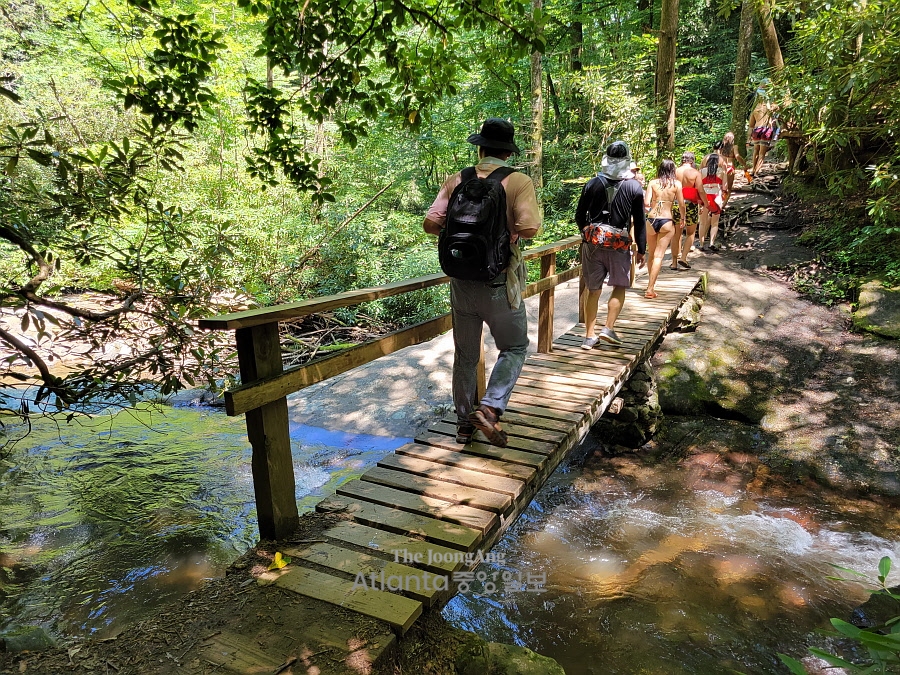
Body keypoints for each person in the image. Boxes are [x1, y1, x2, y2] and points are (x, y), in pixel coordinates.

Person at [423, 118, 540, 448]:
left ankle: (464, 423)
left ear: (481, 147)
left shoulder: (457, 179)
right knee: (515, 347)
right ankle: (489, 408)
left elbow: (430, 223)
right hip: (499, 281)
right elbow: (530, 228)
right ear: (507, 151)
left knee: (465, 355)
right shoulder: (518, 181)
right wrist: (509, 233)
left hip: (461, 282)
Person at [574, 140, 646, 348]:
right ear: (627, 160)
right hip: (619, 244)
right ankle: (608, 328)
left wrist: (587, 232)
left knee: (593, 289)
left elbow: (580, 215)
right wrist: (642, 250)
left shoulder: (592, 183)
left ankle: (589, 336)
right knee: (620, 285)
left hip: (593, 244)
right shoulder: (634, 187)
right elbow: (639, 222)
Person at [643, 159, 685, 298]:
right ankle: (650, 288)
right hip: (666, 220)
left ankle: (651, 285)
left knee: (651, 255)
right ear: (673, 170)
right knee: (659, 256)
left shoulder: (652, 183)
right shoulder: (677, 184)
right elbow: (681, 204)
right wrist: (683, 218)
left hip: (651, 219)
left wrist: (656, 202)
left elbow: (646, 202)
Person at [673, 151, 705, 268]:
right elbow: (700, 190)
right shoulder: (695, 173)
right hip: (690, 204)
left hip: (676, 203)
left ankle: (674, 261)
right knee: (690, 233)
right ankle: (684, 258)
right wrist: (704, 204)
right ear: (692, 161)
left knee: (677, 233)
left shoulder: (674, 171)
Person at [747, 80, 779, 178]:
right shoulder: (771, 107)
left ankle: (753, 169)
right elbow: (779, 108)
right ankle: (757, 171)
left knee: (755, 150)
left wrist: (748, 139)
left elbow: (751, 125)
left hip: (756, 130)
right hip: (766, 130)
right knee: (762, 153)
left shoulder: (755, 109)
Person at [697, 150, 727, 252]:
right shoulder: (721, 171)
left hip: (704, 197)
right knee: (715, 222)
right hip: (716, 197)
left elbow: (698, 187)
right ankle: (711, 243)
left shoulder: (701, 172)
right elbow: (725, 187)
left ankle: (701, 244)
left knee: (702, 222)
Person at [719, 131, 747, 204]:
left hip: (720, 168)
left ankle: (718, 205)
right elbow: (737, 156)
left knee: (720, 187)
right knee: (728, 189)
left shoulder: (721, 146)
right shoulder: (734, 147)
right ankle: (723, 205)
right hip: (729, 168)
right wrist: (744, 164)